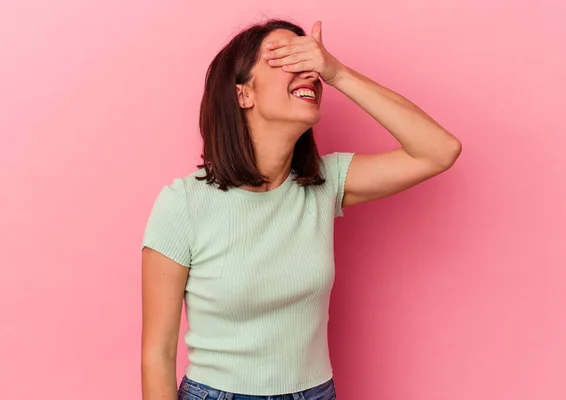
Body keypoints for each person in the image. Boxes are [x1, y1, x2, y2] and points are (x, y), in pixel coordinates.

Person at [140, 18, 461, 400]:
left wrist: (338, 73)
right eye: (286, 58)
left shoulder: (324, 184)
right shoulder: (183, 204)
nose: (309, 72)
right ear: (244, 94)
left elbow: (439, 151)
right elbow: (157, 354)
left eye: (309, 59)